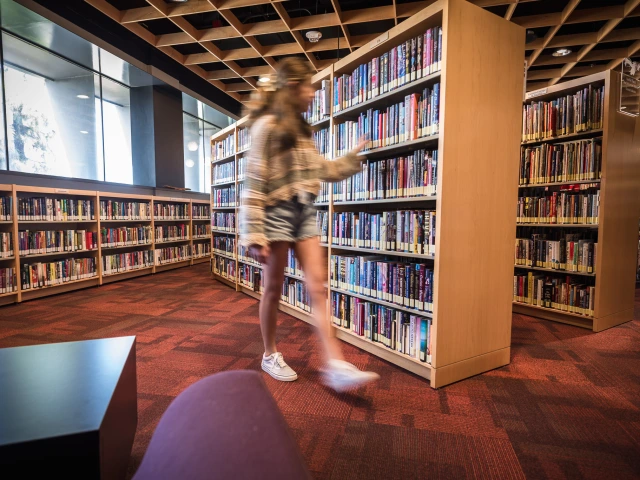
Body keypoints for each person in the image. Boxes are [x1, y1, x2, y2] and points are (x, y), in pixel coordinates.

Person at [239, 58, 380, 392]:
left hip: (305, 211)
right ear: (292, 87)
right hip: (275, 212)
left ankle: (335, 364)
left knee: (318, 286)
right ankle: (269, 354)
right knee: (273, 288)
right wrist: (253, 233)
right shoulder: (267, 127)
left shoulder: (303, 131)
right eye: (309, 87)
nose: (314, 94)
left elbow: (321, 170)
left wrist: (352, 158)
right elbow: (254, 181)